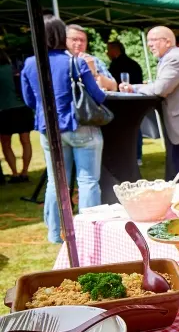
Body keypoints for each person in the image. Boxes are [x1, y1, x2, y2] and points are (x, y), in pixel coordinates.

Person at [22, 15, 106, 243]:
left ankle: (55, 233)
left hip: (48, 129)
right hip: (79, 127)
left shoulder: (30, 63)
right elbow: (98, 96)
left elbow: (29, 100)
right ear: (61, 36)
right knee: (88, 181)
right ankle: (89, 232)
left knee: (55, 181)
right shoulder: (75, 62)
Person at [119, 26, 179, 182]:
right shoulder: (170, 57)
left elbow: (160, 89)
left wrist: (133, 88)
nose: (149, 45)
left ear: (167, 41)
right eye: (148, 41)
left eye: (153, 40)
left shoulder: (174, 58)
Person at [0, 49, 33, 183]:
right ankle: (24, 172)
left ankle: (14, 173)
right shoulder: (15, 69)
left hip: (3, 111)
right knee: (25, 141)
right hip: (22, 109)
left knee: (6, 144)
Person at [65, 24, 117, 92]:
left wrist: (94, 73)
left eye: (82, 40)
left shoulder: (95, 60)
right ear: (65, 40)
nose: (79, 43)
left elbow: (114, 86)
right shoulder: (61, 60)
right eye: (74, 39)